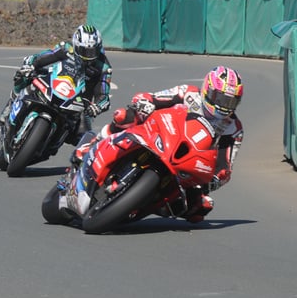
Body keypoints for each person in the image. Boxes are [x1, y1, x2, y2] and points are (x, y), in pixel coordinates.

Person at [75, 65, 244, 223]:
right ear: (208, 89)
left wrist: (215, 179)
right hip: (159, 133)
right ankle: (92, 144)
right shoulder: (188, 93)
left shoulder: (233, 128)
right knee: (124, 115)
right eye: (220, 98)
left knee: (200, 208)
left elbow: (225, 165)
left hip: (188, 163)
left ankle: (144, 205)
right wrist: (145, 102)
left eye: (230, 102)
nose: (223, 105)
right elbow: (155, 97)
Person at [2, 24, 112, 137]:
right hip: (54, 83)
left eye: (93, 52)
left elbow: (104, 95)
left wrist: (97, 106)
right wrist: (30, 65)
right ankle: (10, 105)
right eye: (84, 51)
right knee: (24, 75)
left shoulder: (103, 66)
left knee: (86, 137)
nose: (88, 56)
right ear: (76, 45)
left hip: (79, 104)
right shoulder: (66, 48)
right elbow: (40, 58)